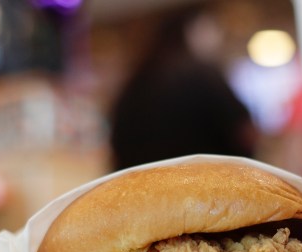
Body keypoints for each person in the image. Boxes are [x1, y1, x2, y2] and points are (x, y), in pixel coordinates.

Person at [108, 5, 258, 171]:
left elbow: (117, 145)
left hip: (141, 189)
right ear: (191, 28)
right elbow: (245, 134)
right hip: (205, 186)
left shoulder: (134, 81)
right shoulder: (203, 74)